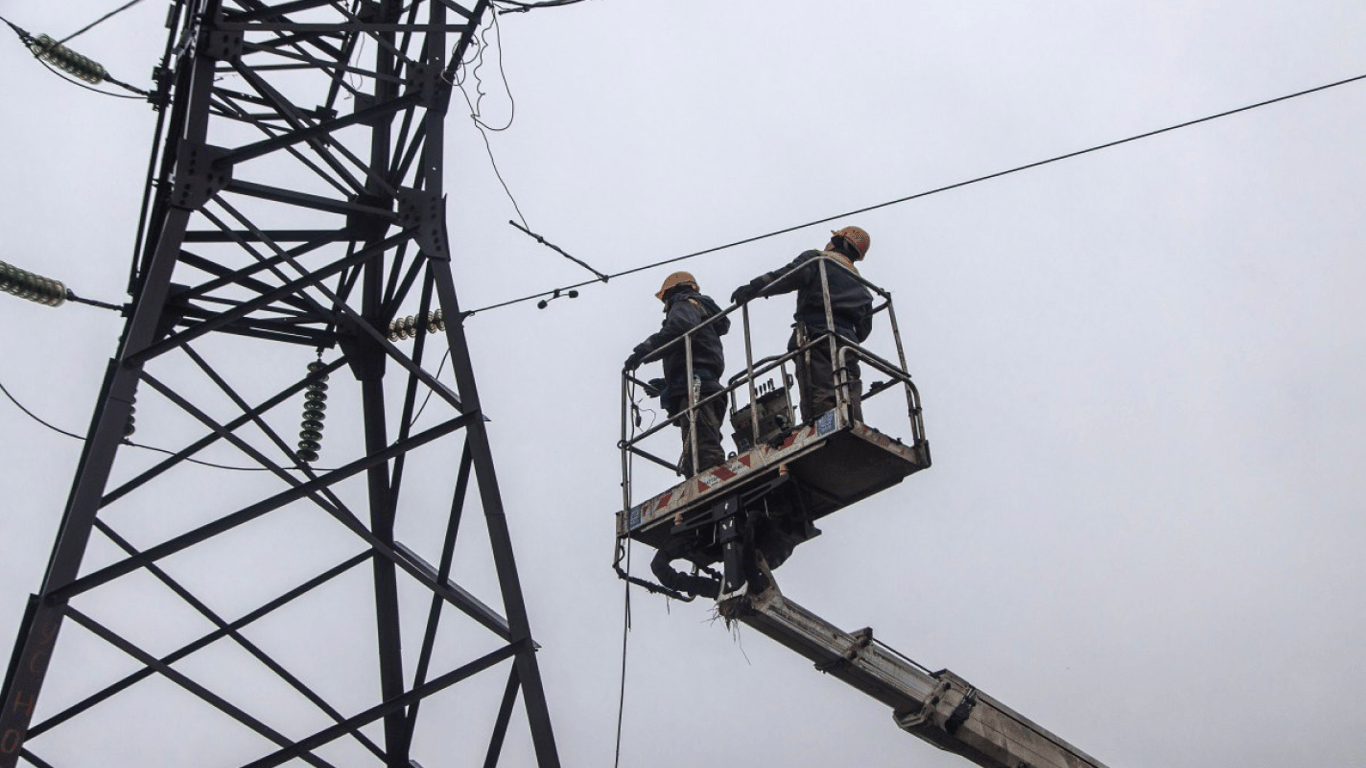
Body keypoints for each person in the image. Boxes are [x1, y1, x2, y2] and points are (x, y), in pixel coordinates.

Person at [729, 226, 873, 423]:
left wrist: (755, 287)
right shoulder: (862, 286)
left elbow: (787, 276)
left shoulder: (818, 260)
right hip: (848, 342)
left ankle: (824, 426)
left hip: (816, 333)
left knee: (819, 384)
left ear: (844, 242)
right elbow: (864, 330)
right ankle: (852, 422)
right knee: (848, 386)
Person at [625, 271, 731, 477]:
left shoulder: (684, 302)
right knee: (697, 452)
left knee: (704, 455)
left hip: (698, 388)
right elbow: (697, 356)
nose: (665, 305)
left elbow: (679, 328)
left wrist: (644, 350)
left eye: (665, 299)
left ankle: (712, 486)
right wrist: (668, 384)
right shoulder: (702, 312)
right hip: (702, 385)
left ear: (673, 291)